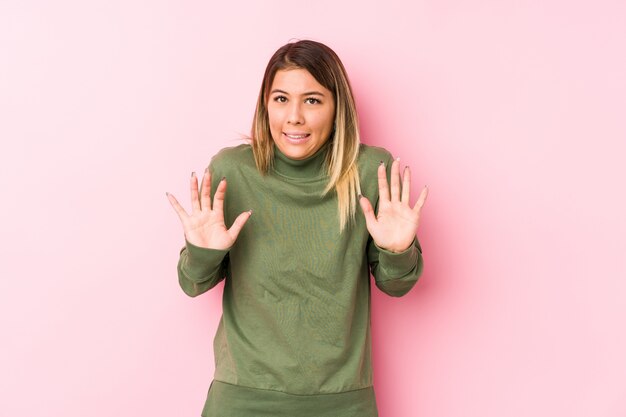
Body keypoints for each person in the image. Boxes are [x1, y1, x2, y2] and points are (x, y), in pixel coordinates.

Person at [166, 39, 428, 417]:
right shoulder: (231, 172)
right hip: (243, 399)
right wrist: (204, 254)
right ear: (265, 105)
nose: (294, 118)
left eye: (312, 100)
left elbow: (397, 286)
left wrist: (397, 252)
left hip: (341, 402)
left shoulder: (372, 172)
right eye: (281, 99)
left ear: (338, 108)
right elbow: (193, 284)